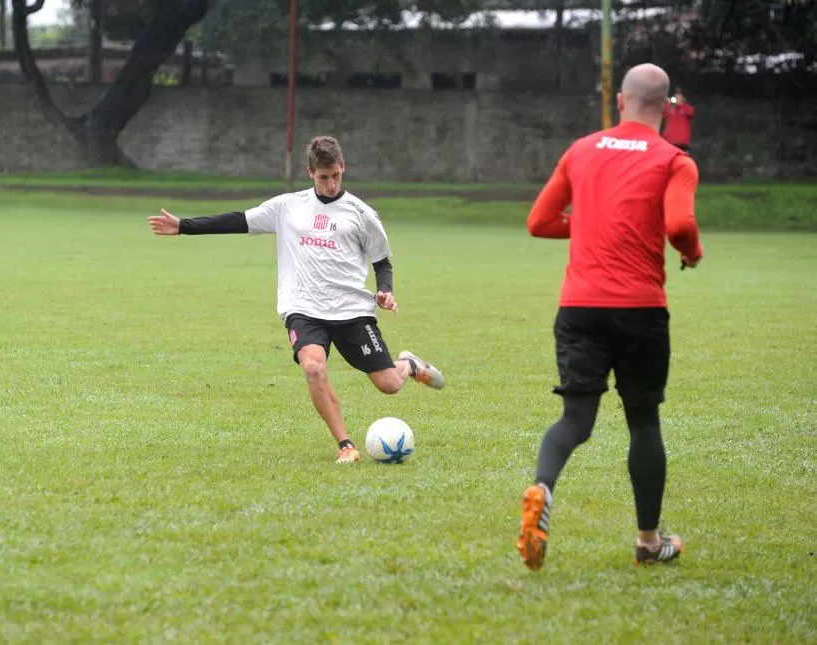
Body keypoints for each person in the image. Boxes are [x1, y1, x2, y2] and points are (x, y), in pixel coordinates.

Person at [147, 135, 445, 464]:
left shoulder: (362, 214)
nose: (331, 185)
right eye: (323, 177)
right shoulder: (287, 207)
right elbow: (238, 220)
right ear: (310, 172)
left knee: (389, 385)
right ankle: (345, 444)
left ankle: (408, 364)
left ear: (343, 168)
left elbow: (382, 261)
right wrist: (184, 226)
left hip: (351, 311)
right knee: (314, 368)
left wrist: (385, 289)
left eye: (336, 176)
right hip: (303, 308)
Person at [516, 63, 704, 570]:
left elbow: (539, 222)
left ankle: (541, 489)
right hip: (640, 310)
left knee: (575, 420)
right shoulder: (674, 160)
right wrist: (691, 251)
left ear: (620, 100)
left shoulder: (582, 149)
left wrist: (591, 227)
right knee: (643, 421)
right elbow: (681, 223)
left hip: (578, 308)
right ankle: (648, 542)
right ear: (668, 108)